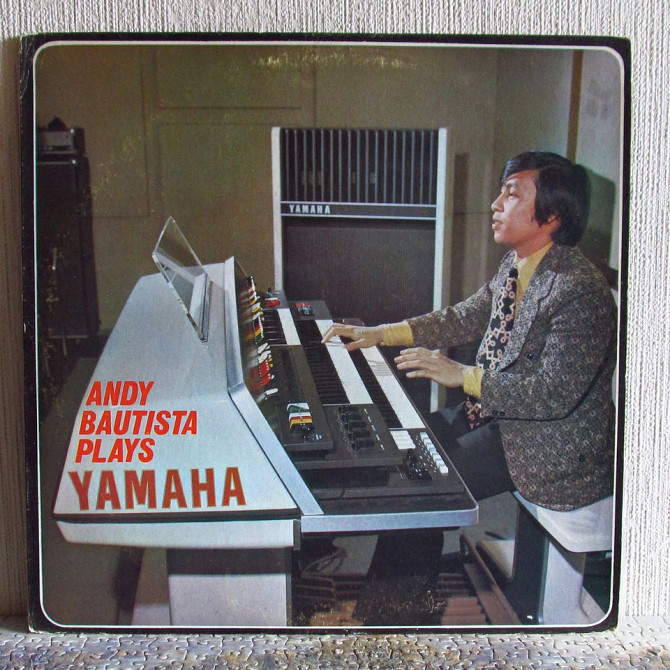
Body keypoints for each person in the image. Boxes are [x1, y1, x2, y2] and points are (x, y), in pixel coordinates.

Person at [322, 150, 617, 512]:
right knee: (400, 447)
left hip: (548, 446)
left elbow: (552, 394)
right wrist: (381, 333)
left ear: (551, 216)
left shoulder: (580, 290)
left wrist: (462, 375)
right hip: (495, 416)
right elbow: (464, 316)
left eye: (511, 194)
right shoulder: (516, 263)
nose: (495, 204)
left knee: (418, 485)